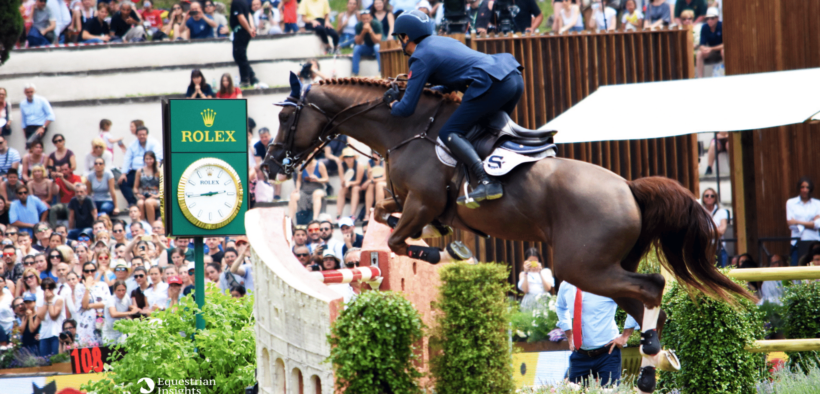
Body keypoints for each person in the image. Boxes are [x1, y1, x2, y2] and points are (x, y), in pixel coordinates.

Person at [385, 10, 521, 207]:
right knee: (484, 130)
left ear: (406, 37)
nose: (400, 43)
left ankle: (487, 181)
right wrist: (435, 90)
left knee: (449, 132)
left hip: (492, 84)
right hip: (512, 76)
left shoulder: (420, 56)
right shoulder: (443, 41)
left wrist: (392, 103)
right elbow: (454, 78)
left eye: (400, 38)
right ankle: (499, 170)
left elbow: (406, 109)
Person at [557, 281, 640, 387]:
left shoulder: (607, 283)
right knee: (572, 390)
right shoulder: (567, 284)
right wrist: (569, 335)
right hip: (580, 354)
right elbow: (560, 307)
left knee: (610, 391)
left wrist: (625, 336)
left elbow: (634, 303)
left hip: (607, 354)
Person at [119, 126, 162, 207]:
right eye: (139, 135)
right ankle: (132, 202)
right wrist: (124, 173)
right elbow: (127, 158)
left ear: (147, 135)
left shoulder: (154, 143)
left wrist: (154, 170)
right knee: (123, 182)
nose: (142, 136)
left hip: (152, 170)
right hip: (136, 171)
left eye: (143, 134)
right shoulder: (132, 145)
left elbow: (158, 157)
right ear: (137, 135)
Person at [74, 261, 109, 345]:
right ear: (83, 272)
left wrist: (91, 305)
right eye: (87, 271)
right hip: (86, 324)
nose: (90, 273)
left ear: (95, 271)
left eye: (92, 271)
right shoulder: (79, 287)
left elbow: (107, 303)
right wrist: (87, 287)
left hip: (101, 321)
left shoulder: (103, 285)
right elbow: (84, 305)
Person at [787, 177, 820, 267]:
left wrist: (797, 221)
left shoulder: (817, 203)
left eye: (807, 187)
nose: (805, 190)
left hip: (814, 241)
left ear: (811, 189)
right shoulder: (791, 202)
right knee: (795, 268)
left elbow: (818, 224)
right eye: (802, 187)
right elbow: (791, 224)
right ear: (799, 188)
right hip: (797, 241)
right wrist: (811, 222)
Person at [230, 0, 258, 88]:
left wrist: (249, 29)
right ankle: (252, 76)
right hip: (245, 31)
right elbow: (249, 14)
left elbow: (241, 17)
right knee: (240, 56)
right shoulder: (244, 2)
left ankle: (245, 80)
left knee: (240, 55)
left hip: (241, 31)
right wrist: (251, 27)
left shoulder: (236, 2)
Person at [36, 277, 65, 357]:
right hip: (44, 334)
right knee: (44, 362)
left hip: (56, 333)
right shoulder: (40, 300)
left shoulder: (59, 299)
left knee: (55, 360)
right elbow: (40, 316)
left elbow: (53, 315)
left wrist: (50, 301)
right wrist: (46, 301)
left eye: (50, 288)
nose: (47, 291)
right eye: (45, 289)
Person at [701, 188, 729, 267]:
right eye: (707, 195)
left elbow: (722, 230)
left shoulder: (721, 212)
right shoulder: (700, 212)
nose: (709, 197)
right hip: (705, 248)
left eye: (712, 196)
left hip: (719, 248)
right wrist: (716, 231)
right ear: (703, 198)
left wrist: (706, 232)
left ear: (715, 198)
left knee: (722, 271)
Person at [352, 10, 382, 77]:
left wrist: (370, 30)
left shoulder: (377, 24)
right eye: (364, 19)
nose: (366, 21)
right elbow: (357, 42)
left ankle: (381, 72)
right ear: (360, 19)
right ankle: (355, 74)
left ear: (371, 18)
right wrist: (363, 32)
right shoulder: (358, 26)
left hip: (379, 47)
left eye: (367, 19)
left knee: (376, 47)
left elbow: (377, 41)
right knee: (357, 48)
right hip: (368, 47)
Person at [695, 8, 723, 78]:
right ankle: (700, 78)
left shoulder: (722, 26)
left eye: (712, 18)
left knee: (724, 51)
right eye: (707, 18)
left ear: (717, 18)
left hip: (720, 51)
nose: (709, 20)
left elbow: (726, 45)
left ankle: (729, 74)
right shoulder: (704, 27)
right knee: (699, 54)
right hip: (711, 52)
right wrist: (703, 49)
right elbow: (702, 44)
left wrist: (710, 48)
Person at [133, 151, 160, 224]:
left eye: (150, 159)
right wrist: (138, 194)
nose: (148, 161)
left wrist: (157, 195)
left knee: (148, 202)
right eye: (146, 159)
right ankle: (142, 224)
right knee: (140, 203)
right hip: (144, 195)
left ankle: (152, 225)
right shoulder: (140, 171)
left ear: (154, 159)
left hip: (156, 196)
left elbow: (164, 188)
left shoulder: (158, 171)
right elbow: (135, 187)